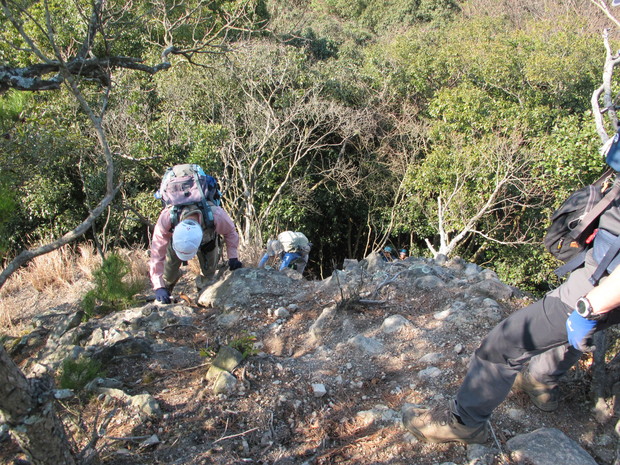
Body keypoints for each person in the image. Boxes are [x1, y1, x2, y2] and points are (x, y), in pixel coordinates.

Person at [402, 185, 620, 444]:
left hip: (603, 285)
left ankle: (464, 423)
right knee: (562, 325)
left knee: (503, 344)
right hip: (602, 270)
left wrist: (590, 306)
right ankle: (541, 380)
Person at [149, 202, 242, 304]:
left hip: (207, 242)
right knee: (168, 275)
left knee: (208, 274)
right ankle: (170, 282)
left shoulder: (216, 215)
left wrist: (233, 257)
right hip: (176, 244)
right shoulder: (167, 218)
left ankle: (202, 293)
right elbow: (156, 254)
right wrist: (159, 286)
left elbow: (230, 232)